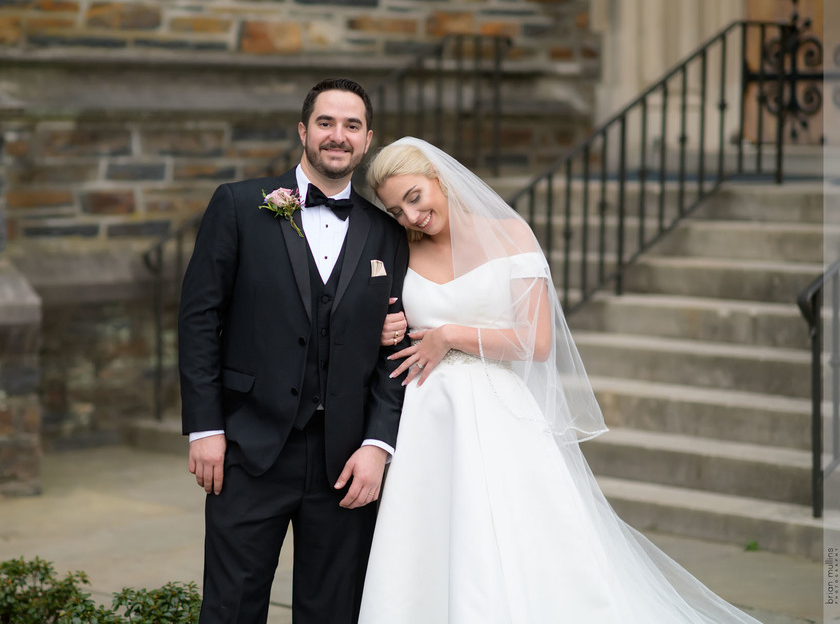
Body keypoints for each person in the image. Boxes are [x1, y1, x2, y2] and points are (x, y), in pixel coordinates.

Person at [357, 136, 765, 623]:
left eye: (415, 198)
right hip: (425, 420)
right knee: (424, 541)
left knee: (515, 537)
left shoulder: (510, 235)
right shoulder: (397, 250)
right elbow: (379, 318)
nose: (410, 217)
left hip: (497, 412)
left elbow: (538, 340)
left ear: (440, 181)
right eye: (397, 210)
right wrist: (384, 328)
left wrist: (450, 335)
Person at [177, 78, 410, 624]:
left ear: (367, 139)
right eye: (326, 122)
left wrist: (378, 444)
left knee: (333, 612)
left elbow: (398, 350)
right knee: (231, 608)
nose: (338, 135)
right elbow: (198, 320)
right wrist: (205, 428)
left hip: (345, 462)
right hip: (249, 449)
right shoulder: (238, 206)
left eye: (351, 126)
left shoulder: (386, 233)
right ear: (303, 131)